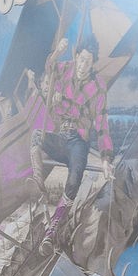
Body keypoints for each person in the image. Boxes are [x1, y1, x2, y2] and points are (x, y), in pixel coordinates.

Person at [30, 40, 112, 209]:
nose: (83, 66)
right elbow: (50, 67)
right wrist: (58, 52)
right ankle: (38, 184)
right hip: (61, 137)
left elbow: (102, 124)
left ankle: (59, 216)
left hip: (79, 141)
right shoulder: (66, 68)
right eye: (81, 60)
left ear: (93, 64)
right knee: (37, 136)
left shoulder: (98, 86)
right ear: (76, 56)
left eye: (88, 62)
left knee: (75, 178)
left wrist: (105, 159)